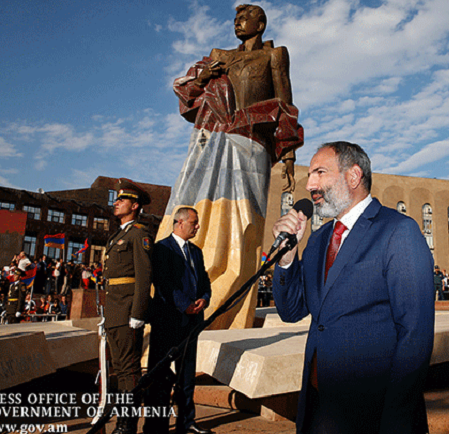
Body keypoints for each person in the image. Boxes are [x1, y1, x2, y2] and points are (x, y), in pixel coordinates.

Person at [271, 141, 434, 434]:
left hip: (374, 412)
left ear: (353, 176)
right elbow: (292, 310)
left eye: (320, 172)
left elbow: (415, 333)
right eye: (310, 175)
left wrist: (396, 417)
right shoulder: (319, 240)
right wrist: (286, 259)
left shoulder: (397, 230)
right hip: (320, 409)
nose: (310, 185)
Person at [164, 4, 303, 330]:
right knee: (208, 219)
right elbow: (186, 90)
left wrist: (289, 154)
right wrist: (204, 76)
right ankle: (196, 290)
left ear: (261, 23)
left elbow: (285, 102)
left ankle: (233, 308)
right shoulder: (219, 56)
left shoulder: (275, 56)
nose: (238, 23)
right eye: (235, 18)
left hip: (253, 146)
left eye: (244, 17)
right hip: (214, 145)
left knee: (245, 223)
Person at [144, 207, 212, 434]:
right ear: (180, 223)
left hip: (191, 325)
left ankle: (186, 422)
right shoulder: (162, 249)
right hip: (167, 322)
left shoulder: (196, 252)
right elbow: (163, 284)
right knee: (160, 376)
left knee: (186, 376)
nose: (197, 226)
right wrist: (185, 305)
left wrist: (204, 298)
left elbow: (204, 281)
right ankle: (156, 426)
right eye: (194, 222)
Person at [103, 178, 153, 434]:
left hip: (127, 311)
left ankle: (128, 423)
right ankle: (123, 420)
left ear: (134, 206)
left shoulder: (139, 234)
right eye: (117, 199)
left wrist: (138, 313)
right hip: (114, 311)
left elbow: (144, 277)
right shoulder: (117, 236)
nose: (117, 203)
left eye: (122, 200)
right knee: (120, 369)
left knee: (129, 370)